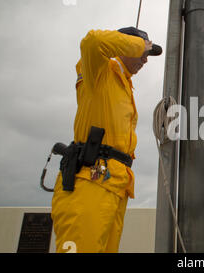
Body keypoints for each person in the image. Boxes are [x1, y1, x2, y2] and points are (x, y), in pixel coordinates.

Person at [51, 27, 162, 253]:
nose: (145, 59)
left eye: (147, 54)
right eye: (142, 52)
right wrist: (139, 43)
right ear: (125, 46)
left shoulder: (124, 83)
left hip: (113, 185)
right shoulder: (99, 70)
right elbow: (93, 41)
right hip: (88, 183)